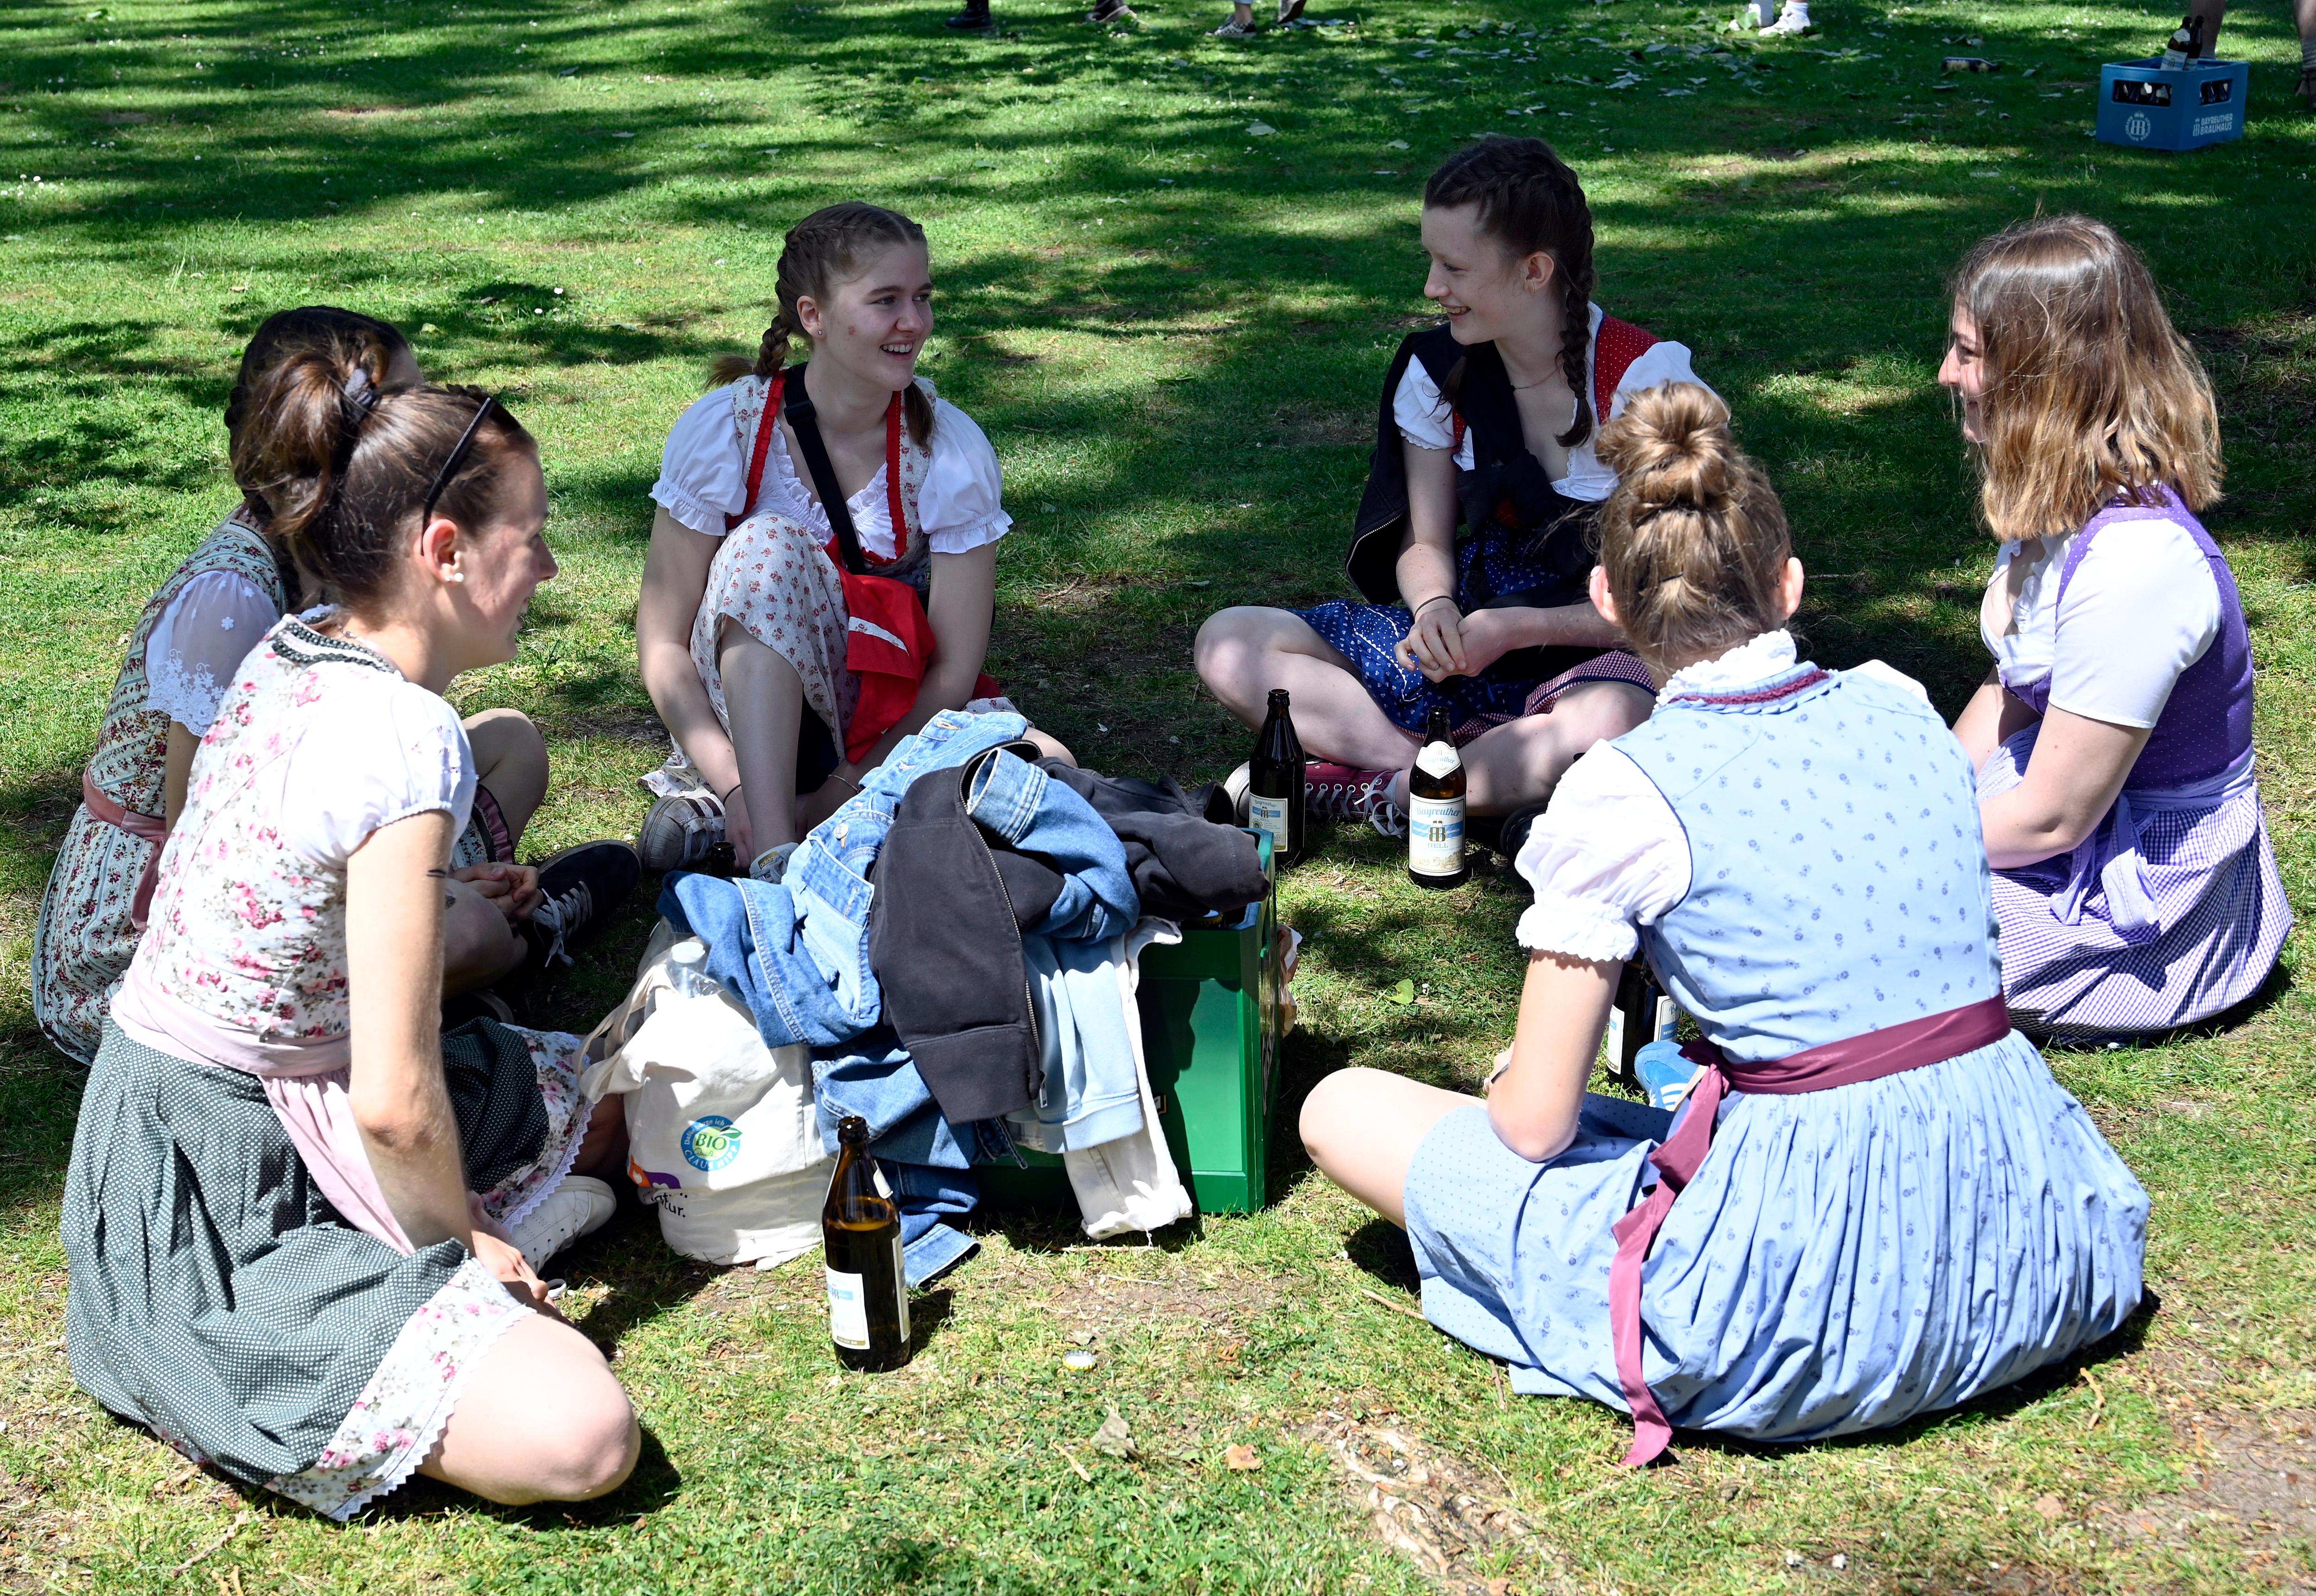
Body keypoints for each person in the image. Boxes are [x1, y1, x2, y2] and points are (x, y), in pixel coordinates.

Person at [1299, 383, 2147, 1465]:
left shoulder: (1623, 790)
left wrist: (1520, 1081)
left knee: (1344, 1107)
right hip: (2032, 1231)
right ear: (1788, 583)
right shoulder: (1900, 704)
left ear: (1608, 600)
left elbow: (1535, 1128)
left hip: (1802, 1299)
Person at [63, 354, 640, 1519]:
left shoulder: (300, 643)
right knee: (583, 1434)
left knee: (614, 1107)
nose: (549, 567)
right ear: (445, 551)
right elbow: (393, 1099)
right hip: (215, 1187)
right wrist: (458, 1250)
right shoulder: (405, 735)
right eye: (531, 537)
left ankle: (483, 1239)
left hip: (196, 1112)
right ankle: (441, 1272)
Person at [31, 307, 632, 1067]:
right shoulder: (232, 596)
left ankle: (465, 954)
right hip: (157, 947)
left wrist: (437, 881)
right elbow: (203, 852)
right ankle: (511, 951)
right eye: (404, 407)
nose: (424, 428)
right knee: (476, 932)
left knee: (513, 740)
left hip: (296, 859)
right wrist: (437, 899)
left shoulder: (330, 550)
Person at [1196, 137, 1701, 839]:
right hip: (1476, 620)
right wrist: (1435, 606)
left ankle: (1380, 788)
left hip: (1605, 646)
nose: (1433, 287)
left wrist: (1525, 628)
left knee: (1611, 722)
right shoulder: (1439, 372)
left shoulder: (1645, 381)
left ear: (1535, 271)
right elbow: (1425, 541)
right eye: (1432, 261)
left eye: (1455, 267)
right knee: (1229, 643)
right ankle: (1444, 778)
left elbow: (1689, 599)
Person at [1941, 217, 2290, 1038]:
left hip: (2153, 889)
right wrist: (1918, 793)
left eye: (1969, 352)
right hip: (2064, 817)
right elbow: (2014, 687)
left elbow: (2052, 820)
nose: (1946, 373)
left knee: (1864, 929)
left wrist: (1883, 846)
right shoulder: (2060, 504)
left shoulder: (2137, 564)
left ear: (2046, 375)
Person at [637, 202, 1058, 878]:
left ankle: (757, 823)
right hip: (754, 723)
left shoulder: (946, 446)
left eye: (922, 297)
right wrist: (735, 784)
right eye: (886, 300)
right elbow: (662, 644)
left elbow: (954, 668)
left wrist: (842, 789)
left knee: (1052, 767)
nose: (914, 322)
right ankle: (772, 849)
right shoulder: (729, 430)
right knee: (766, 548)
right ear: (814, 316)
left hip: (889, 722)